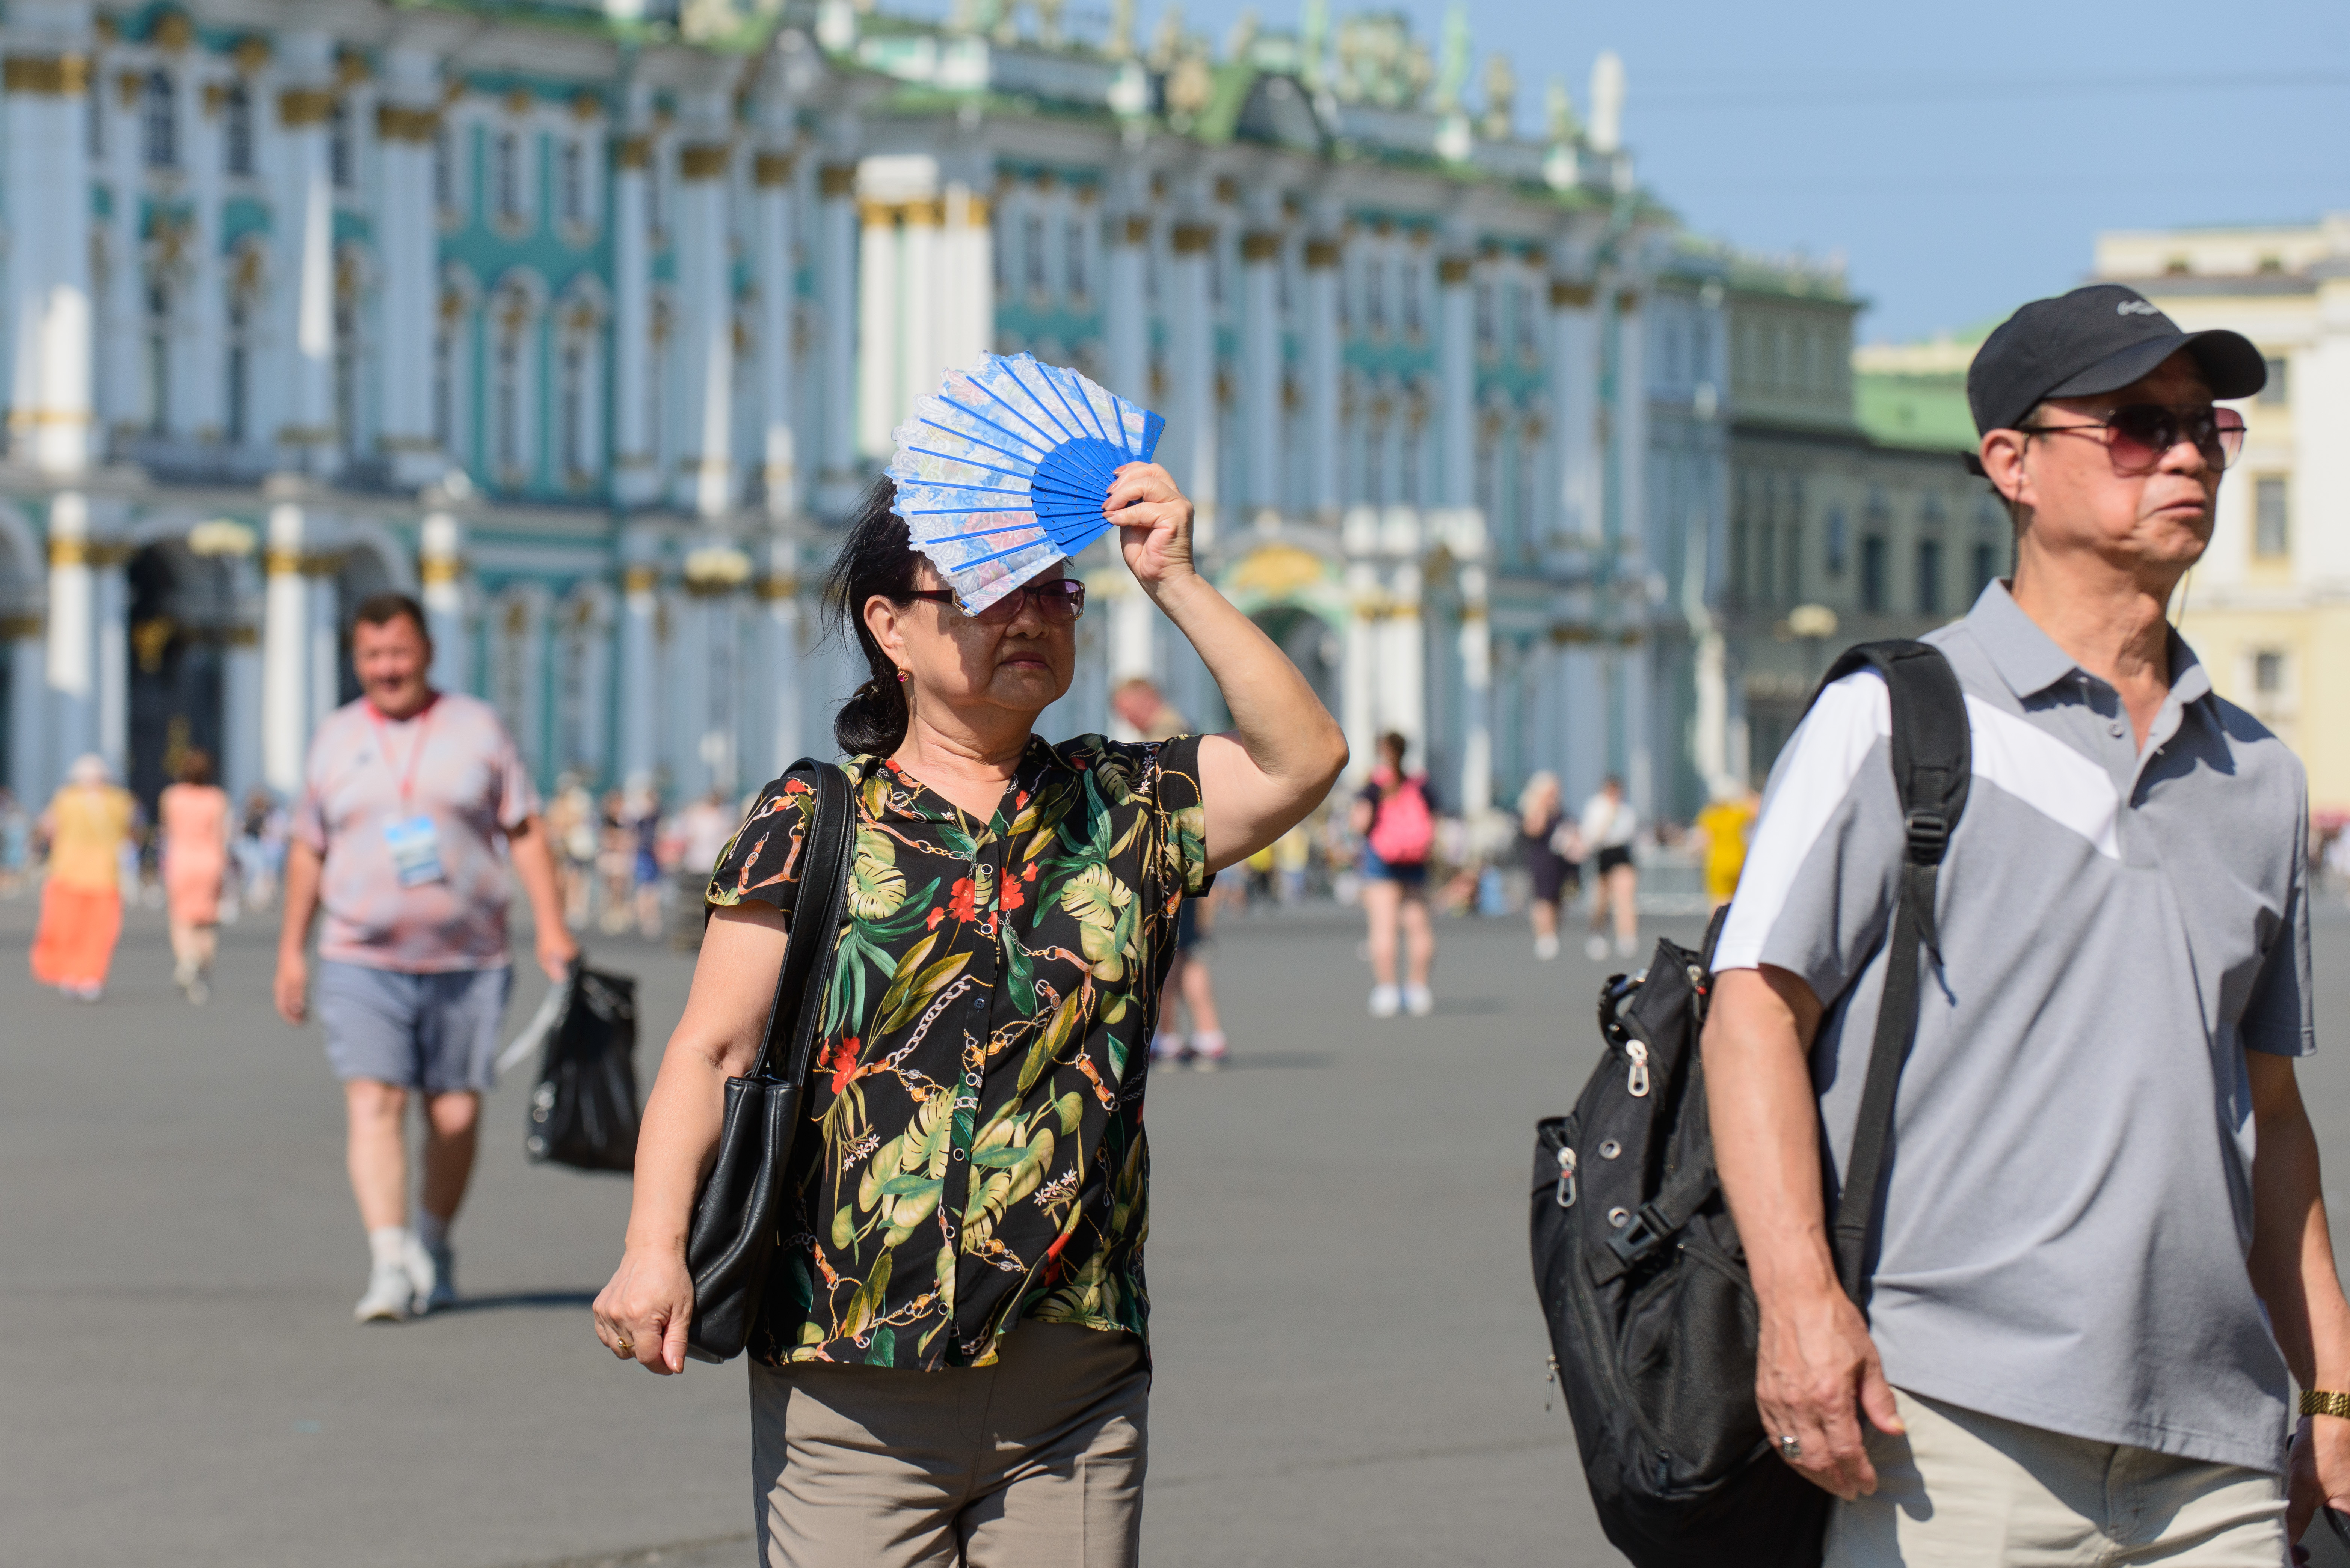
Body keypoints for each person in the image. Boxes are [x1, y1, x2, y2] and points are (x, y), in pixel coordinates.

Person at [592, 466, 1346, 1568]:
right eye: (992, 589)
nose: (1034, 614)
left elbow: (1305, 758)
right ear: (889, 627)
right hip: (850, 1378)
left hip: (1070, 1383)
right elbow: (712, 1047)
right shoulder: (813, 821)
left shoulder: (1122, 807)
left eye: (1056, 590)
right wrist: (653, 1248)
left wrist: (1175, 579)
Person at [1702, 285, 2348, 1564]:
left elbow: (2268, 1115)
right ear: (2010, 463)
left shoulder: (2259, 773)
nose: (2180, 455)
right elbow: (1750, 1011)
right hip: (1951, 1426)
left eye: (2200, 428)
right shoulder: (1894, 718)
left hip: (2216, 1451)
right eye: (2129, 424)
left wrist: (2325, 1384)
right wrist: (1796, 1305)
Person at [274, 593, 578, 1323]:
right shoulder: (334, 737)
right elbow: (308, 849)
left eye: (399, 654)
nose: (387, 669)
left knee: (453, 1115)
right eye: (373, 656)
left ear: (427, 653)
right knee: (373, 1101)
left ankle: (434, 1243)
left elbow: (525, 830)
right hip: (359, 957)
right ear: (357, 661)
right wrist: (290, 951)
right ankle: (387, 1260)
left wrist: (551, 929)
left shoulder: (477, 729)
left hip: (467, 960)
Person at [29, 754, 136, 1000]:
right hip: (105, 874)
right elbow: (129, 831)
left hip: (68, 871)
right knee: (99, 932)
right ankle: (91, 977)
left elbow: (48, 828)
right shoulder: (119, 801)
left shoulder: (66, 799)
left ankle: (70, 974)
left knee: (68, 927)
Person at [1352, 731, 1437, 1016]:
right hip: (1414, 860)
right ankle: (1418, 989)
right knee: (1418, 926)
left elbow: (1360, 824)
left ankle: (1387, 990)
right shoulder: (1420, 785)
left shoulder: (1375, 786)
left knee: (1383, 927)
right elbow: (1433, 824)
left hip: (1382, 861)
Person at [158, 748, 232, 1004]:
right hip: (210, 861)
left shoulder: (172, 797)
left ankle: (188, 961)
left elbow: (168, 829)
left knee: (182, 918)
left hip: (182, 860)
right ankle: (201, 975)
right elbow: (222, 835)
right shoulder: (217, 798)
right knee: (207, 921)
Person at [1153, 873, 1229, 1068]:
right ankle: (1205, 1035)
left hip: (1171, 876)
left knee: (1172, 957)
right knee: (1186, 956)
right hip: (1183, 876)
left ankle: (1170, 1039)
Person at [1517, 771, 1579, 961]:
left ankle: (1554, 933)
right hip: (1542, 858)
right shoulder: (1534, 807)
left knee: (1558, 898)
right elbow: (1533, 830)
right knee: (1543, 898)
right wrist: (1543, 805)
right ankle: (1544, 936)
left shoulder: (1561, 810)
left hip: (1560, 860)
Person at [1578, 775, 1637, 962]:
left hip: (1620, 854)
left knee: (1625, 897)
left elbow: (1626, 834)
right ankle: (1597, 934)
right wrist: (1607, 820)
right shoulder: (1596, 808)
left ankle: (1627, 937)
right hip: (1601, 855)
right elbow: (1591, 835)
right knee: (1601, 900)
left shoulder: (1626, 811)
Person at [1689, 782, 1759, 915]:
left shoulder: (1709, 815)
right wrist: (1747, 793)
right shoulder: (1737, 812)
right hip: (1738, 861)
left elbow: (1702, 840)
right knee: (1737, 902)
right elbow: (1757, 808)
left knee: (1718, 904)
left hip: (1717, 864)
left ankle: (1717, 934)